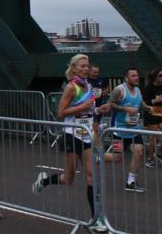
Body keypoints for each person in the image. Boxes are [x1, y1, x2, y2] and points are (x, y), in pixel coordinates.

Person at [32, 54, 109, 219]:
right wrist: (82, 106)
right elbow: (60, 112)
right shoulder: (71, 87)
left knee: (91, 176)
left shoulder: (88, 86)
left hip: (86, 136)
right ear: (73, 69)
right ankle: (44, 181)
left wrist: (97, 110)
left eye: (87, 66)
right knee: (68, 179)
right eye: (82, 66)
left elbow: (87, 112)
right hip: (71, 136)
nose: (86, 69)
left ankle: (96, 217)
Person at [106, 67, 148, 192]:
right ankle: (96, 157)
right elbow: (110, 104)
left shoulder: (137, 90)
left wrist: (148, 108)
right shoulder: (119, 90)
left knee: (139, 153)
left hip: (134, 129)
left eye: (137, 75)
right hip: (119, 130)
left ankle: (130, 182)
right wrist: (125, 109)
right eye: (133, 75)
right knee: (117, 156)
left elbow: (140, 103)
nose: (137, 77)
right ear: (126, 78)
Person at [142, 68, 162, 168]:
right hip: (151, 114)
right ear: (155, 78)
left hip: (161, 113)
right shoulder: (149, 88)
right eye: (160, 75)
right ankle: (150, 159)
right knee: (154, 138)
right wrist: (154, 101)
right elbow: (144, 103)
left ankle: (160, 153)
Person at [88, 65, 107, 142]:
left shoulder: (101, 79)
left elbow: (106, 89)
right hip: (89, 106)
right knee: (93, 127)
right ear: (90, 71)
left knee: (96, 125)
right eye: (94, 72)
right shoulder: (86, 80)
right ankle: (93, 144)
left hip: (99, 106)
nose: (96, 74)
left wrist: (102, 93)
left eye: (97, 72)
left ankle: (92, 144)